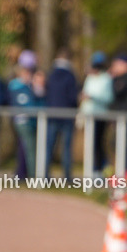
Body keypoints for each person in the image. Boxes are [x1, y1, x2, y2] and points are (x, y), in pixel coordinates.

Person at [44, 49, 79, 181]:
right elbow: (72, 97)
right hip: (67, 116)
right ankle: (67, 177)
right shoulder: (70, 76)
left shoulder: (50, 74)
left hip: (51, 115)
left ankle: (45, 174)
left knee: (49, 146)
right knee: (66, 148)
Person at [9, 50, 43, 178]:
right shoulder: (17, 86)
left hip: (31, 121)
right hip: (23, 121)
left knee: (26, 148)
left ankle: (23, 173)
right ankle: (31, 175)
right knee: (28, 148)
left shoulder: (30, 85)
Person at [80, 52, 114, 175]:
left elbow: (108, 98)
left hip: (100, 116)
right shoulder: (89, 78)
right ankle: (93, 169)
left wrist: (92, 97)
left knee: (98, 143)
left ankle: (99, 170)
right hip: (88, 115)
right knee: (90, 144)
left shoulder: (106, 79)